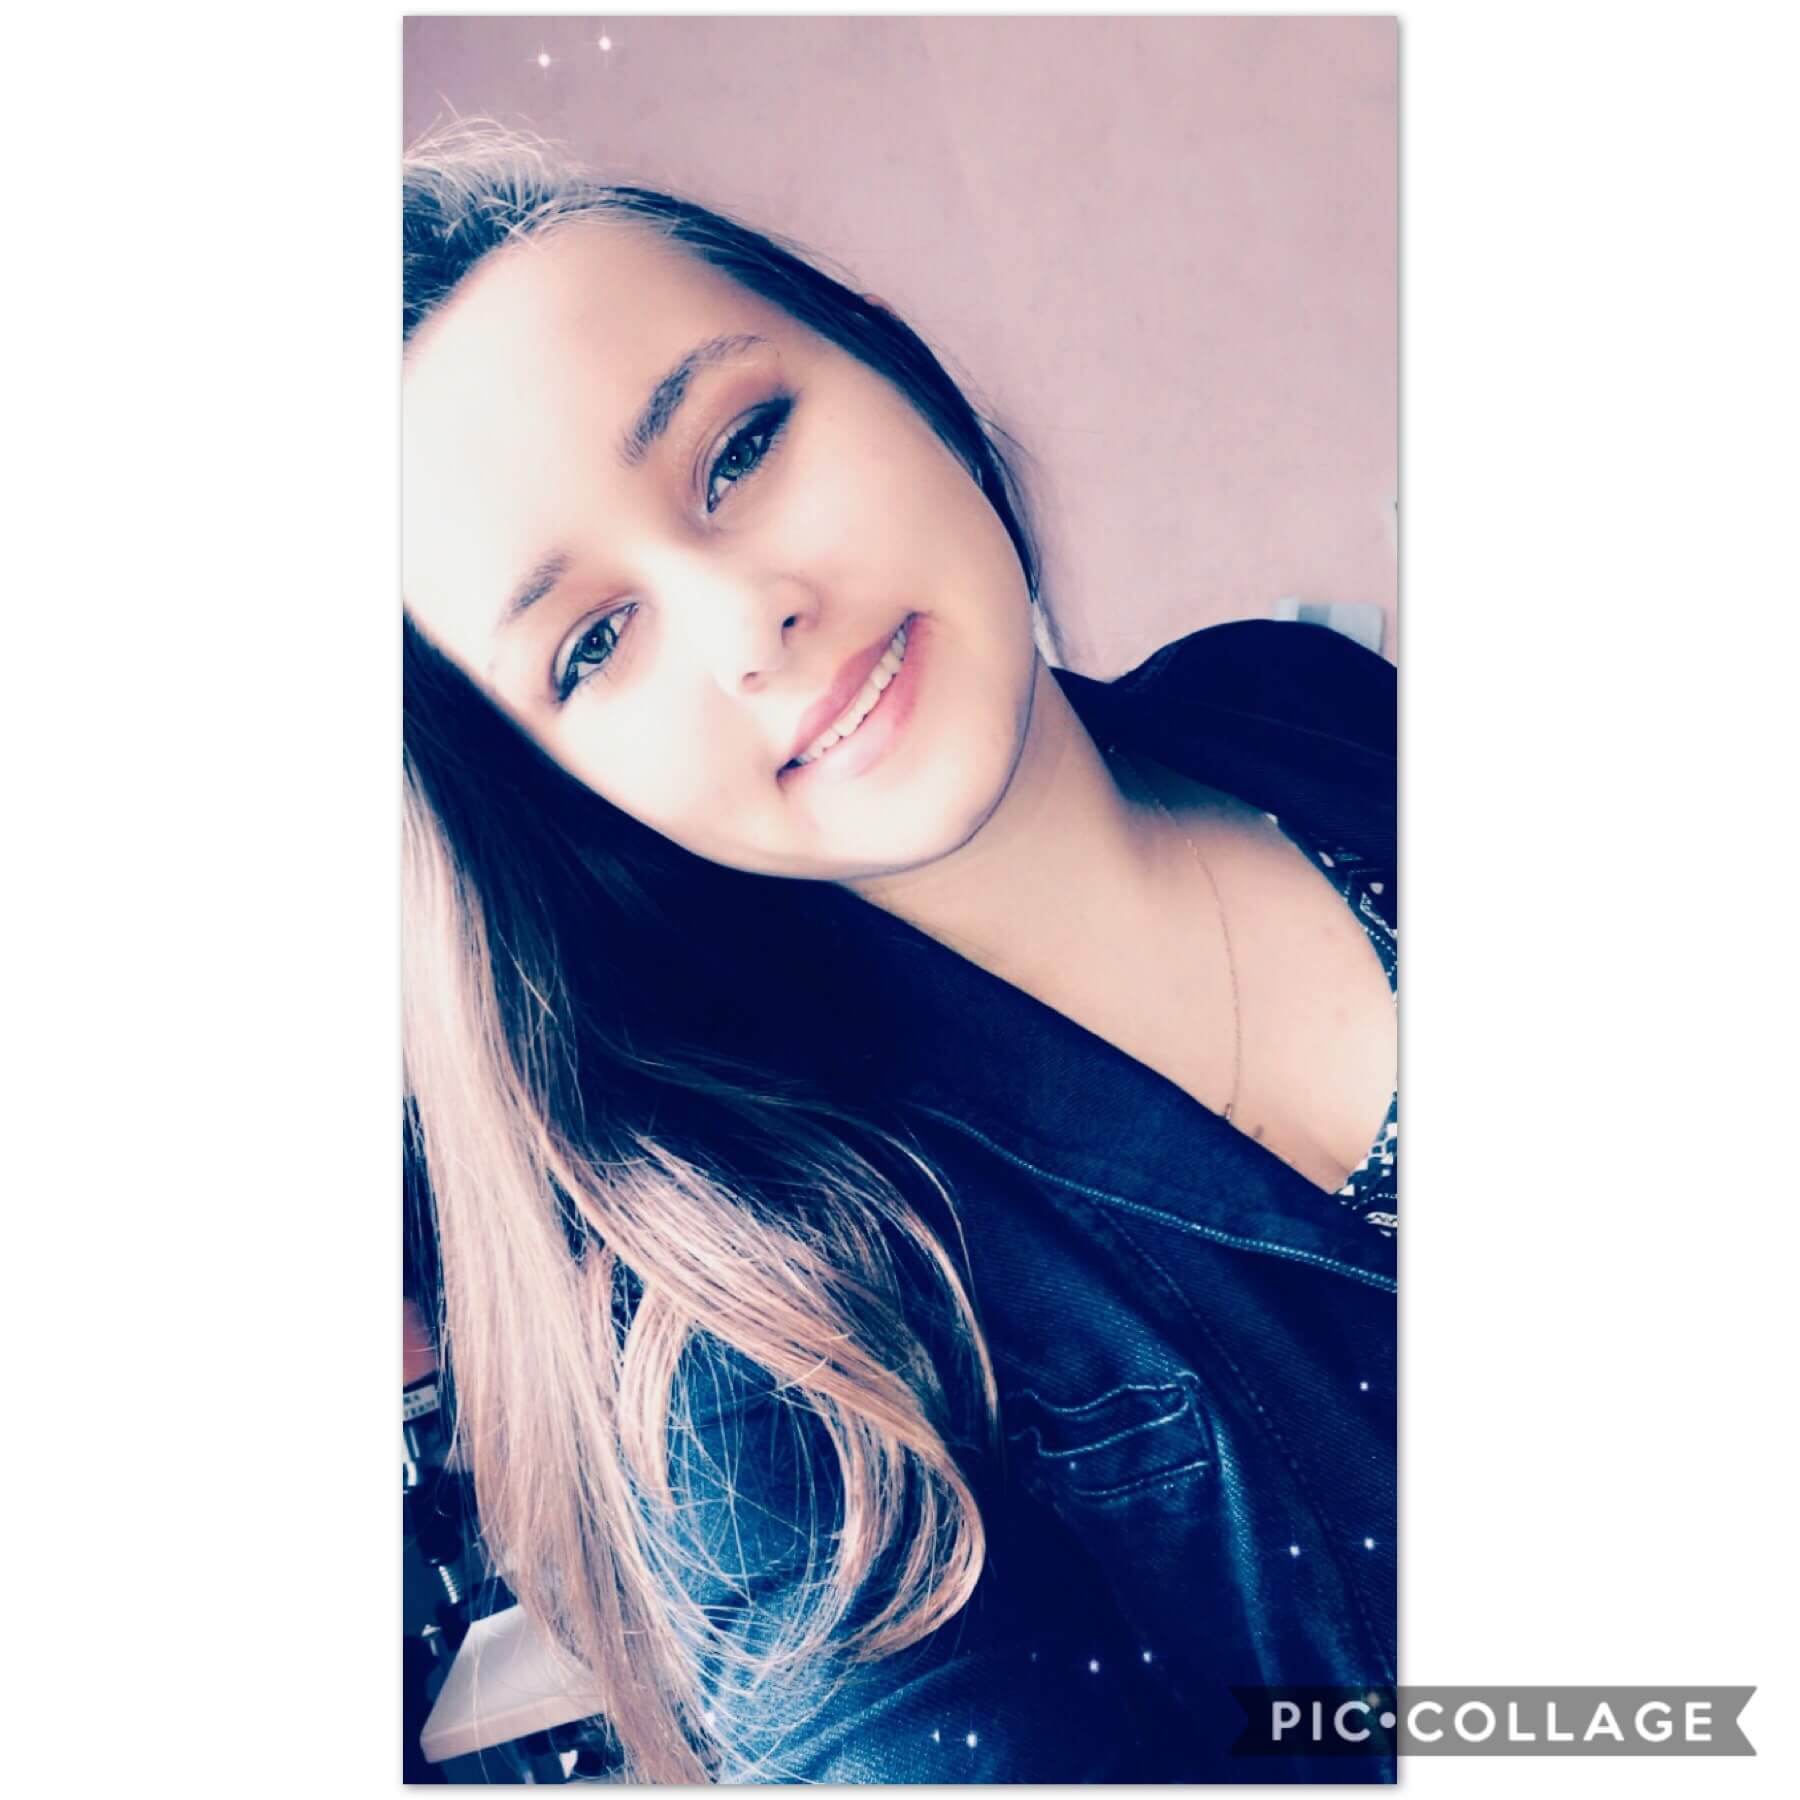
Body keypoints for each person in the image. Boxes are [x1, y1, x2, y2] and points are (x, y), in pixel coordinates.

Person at [402, 121, 1397, 1784]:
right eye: (593, 643)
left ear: (889, 363)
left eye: (739, 449)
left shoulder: (1290, 699)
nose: (750, 622)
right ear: (558, 797)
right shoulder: (767, 1358)